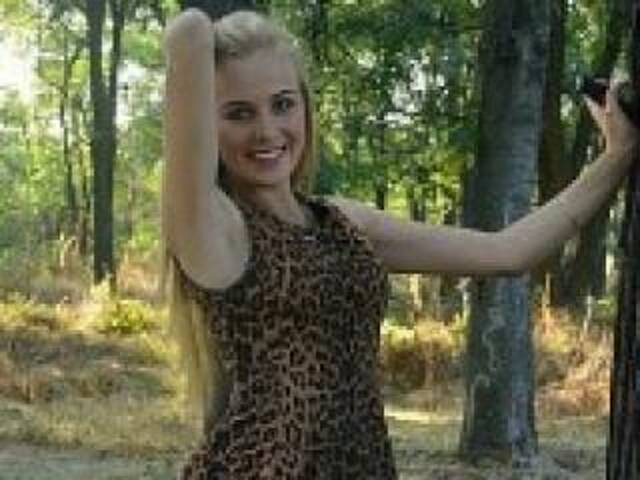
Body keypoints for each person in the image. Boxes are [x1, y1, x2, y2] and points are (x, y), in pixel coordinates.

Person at [161, 8, 638, 480]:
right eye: (238, 113)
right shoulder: (214, 229)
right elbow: (188, 31)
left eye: (283, 104)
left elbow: (508, 252)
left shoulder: (342, 224)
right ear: (207, 125)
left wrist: (618, 156)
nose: (267, 130)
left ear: (305, 107)